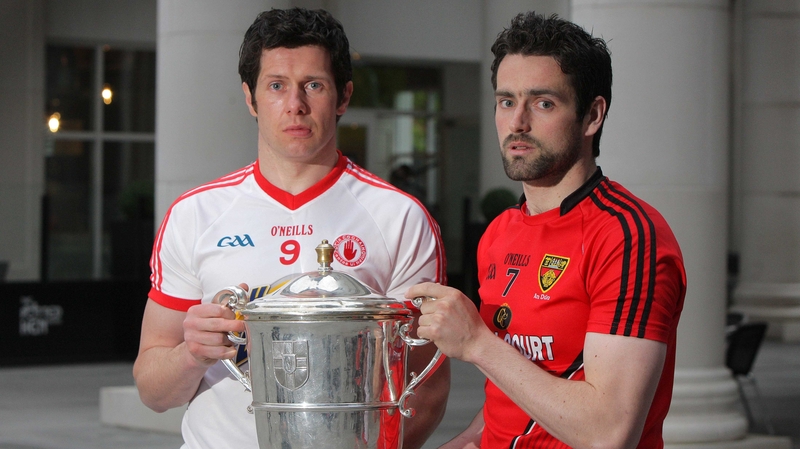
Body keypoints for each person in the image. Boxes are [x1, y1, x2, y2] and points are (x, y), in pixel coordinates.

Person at [133, 8, 450, 449]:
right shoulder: (195, 214)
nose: (295, 104)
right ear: (250, 98)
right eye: (276, 85)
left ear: (343, 96)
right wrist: (191, 355)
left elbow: (425, 388)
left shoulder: (399, 218)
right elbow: (153, 391)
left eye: (313, 85)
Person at [407, 12, 686, 449]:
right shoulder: (499, 232)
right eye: (506, 102)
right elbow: (511, 397)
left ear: (592, 115)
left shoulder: (627, 236)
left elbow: (609, 433)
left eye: (543, 103)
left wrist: (478, 343)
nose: (517, 122)